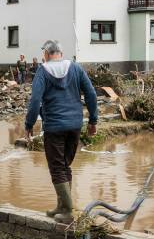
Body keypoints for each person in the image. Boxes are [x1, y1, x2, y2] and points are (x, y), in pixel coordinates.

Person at [24, 40, 98, 223]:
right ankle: (62, 205)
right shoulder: (76, 68)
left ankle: (66, 210)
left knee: (57, 168)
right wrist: (93, 121)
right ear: (61, 53)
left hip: (54, 127)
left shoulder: (42, 71)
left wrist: (29, 124)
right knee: (65, 165)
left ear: (47, 54)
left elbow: (35, 101)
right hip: (75, 125)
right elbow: (91, 94)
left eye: (43, 54)